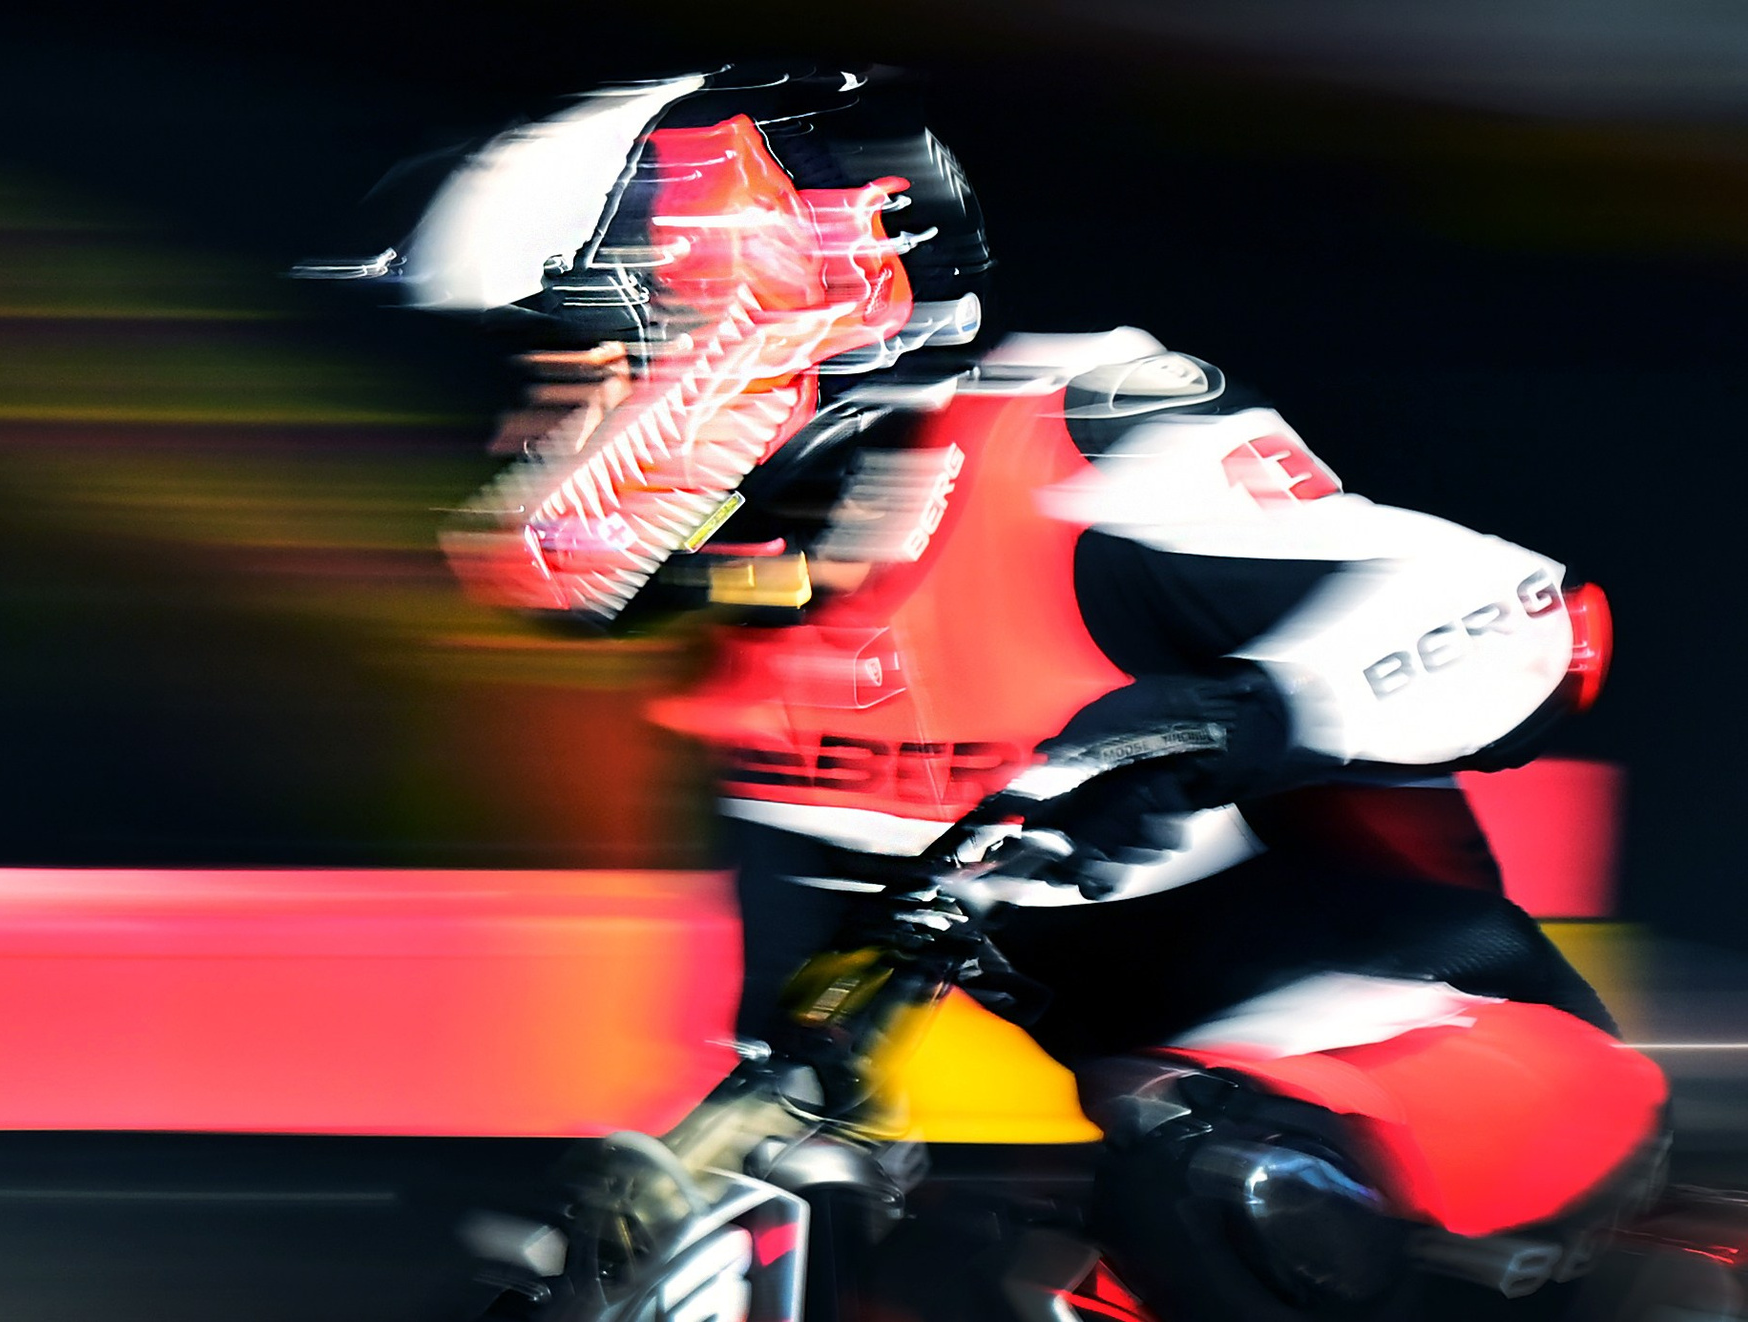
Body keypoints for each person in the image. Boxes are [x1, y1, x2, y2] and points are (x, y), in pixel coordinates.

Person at [319, 67, 1653, 1320]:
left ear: (730, 316)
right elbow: (815, 1072)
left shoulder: (1073, 443)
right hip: (1196, 1153)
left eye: (566, 375)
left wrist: (1226, 719)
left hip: (1461, 1069)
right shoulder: (755, 660)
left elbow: (1530, 614)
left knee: (1216, 1178)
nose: (522, 438)